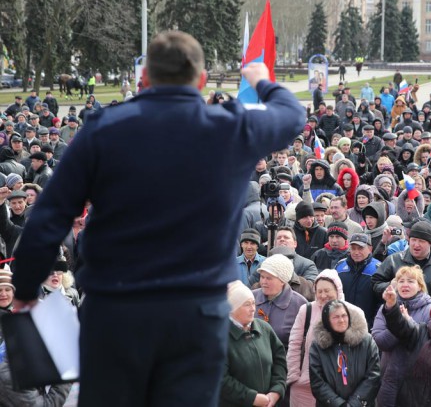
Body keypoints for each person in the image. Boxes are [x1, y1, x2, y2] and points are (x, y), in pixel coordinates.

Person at [10, 32, 305, 406]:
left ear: (145, 77)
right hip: (195, 317)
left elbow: (49, 218)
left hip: (116, 311)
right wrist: (260, 78)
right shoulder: (231, 127)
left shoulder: (104, 129)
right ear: (200, 81)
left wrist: (24, 292)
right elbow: (293, 114)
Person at [286, 269, 366, 406]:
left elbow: (363, 352)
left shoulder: (354, 312)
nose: (323, 295)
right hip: (305, 387)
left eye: (327, 290)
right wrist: (294, 377)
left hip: (342, 388)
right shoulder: (307, 310)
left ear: (337, 290)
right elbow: (294, 344)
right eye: (319, 291)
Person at [371, 265, 431, 406]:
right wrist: (399, 321)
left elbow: (427, 344)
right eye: (401, 281)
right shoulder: (386, 308)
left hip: (417, 380)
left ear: (420, 286)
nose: (405, 284)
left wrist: (407, 322)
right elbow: (380, 341)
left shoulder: (430, 310)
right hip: (388, 376)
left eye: (411, 281)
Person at [222, 281, 287, 407]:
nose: (253, 309)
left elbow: (280, 361)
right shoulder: (221, 336)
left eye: (253, 303)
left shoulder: (264, 328)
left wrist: (276, 390)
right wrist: (251, 398)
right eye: (246, 305)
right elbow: (221, 379)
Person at [309, 300, 381, 406]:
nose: (341, 320)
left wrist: (355, 403)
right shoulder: (318, 346)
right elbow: (317, 382)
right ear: (327, 321)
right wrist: (339, 404)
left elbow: (373, 375)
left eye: (344, 315)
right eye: (335, 317)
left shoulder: (366, 341)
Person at [253, 254, 307, 350]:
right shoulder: (251, 298)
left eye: (269, 278)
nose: (263, 282)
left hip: (285, 362)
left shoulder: (300, 304)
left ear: (282, 280)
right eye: (262, 277)